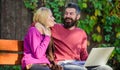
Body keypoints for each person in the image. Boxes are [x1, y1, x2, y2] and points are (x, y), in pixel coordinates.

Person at [50, 2, 113, 70]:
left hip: (78, 63)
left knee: (106, 68)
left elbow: (83, 54)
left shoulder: (81, 33)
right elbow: (39, 21)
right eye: (66, 13)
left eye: (71, 14)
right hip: (62, 63)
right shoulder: (55, 27)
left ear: (78, 17)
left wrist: (91, 62)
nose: (68, 16)